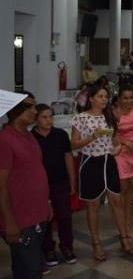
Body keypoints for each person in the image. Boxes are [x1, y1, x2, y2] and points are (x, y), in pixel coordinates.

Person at [70, 84, 133, 260]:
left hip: (108, 162)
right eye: (100, 96)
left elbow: (115, 141)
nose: (104, 99)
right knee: (94, 205)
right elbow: (73, 144)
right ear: (91, 99)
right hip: (90, 163)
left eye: (106, 96)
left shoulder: (109, 117)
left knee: (117, 200)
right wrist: (92, 137)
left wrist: (118, 148)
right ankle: (96, 243)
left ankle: (124, 237)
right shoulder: (81, 118)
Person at [0, 92, 52, 278]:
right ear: (15, 111)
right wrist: (9, 222)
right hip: (20, 219)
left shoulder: (28, 136)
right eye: (29, 107)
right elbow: (2, 185)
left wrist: (46, 203)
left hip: (37, 214)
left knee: (25, 269)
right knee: (31, 271)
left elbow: (35, 172)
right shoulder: (5, 139)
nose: (35, 111)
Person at [32, 104, 77, 267]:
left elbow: (68, 157)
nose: (48, 120)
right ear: (36, 119)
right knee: (44, 217)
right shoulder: (31, 137)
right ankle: (48, 248)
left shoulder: (60, 135)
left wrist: (72, 181)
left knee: (64, 215)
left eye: (50, 116)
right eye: (44, 117)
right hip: (40, 184)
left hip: (60, 181)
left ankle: (67, 246)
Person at [113, 87, 133, 238]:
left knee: (131, 189)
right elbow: (112, 136)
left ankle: (128, 221)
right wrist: (126, 143)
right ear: (119, 99)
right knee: (122, 189)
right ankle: (122, 223)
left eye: (131, 97)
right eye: (125, 98)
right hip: (121, 153)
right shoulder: (113, 113)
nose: (128, 101)